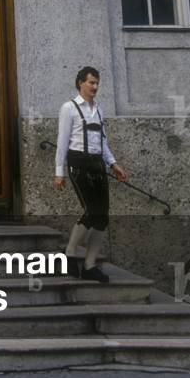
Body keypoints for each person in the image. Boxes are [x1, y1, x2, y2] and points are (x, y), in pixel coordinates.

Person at [54, 66, 128, 282]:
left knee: (102, 217)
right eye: (91, 82)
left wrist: (113, 163)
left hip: (97, 164)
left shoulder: (98, 109)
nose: (95, 87)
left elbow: (102, 141)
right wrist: (59, 172)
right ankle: (69, 252)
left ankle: (89, 265)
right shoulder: (69, 108)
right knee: (92, 210)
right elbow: (62, 141)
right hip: (78, 162)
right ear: (80, 83)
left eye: (97, 83)